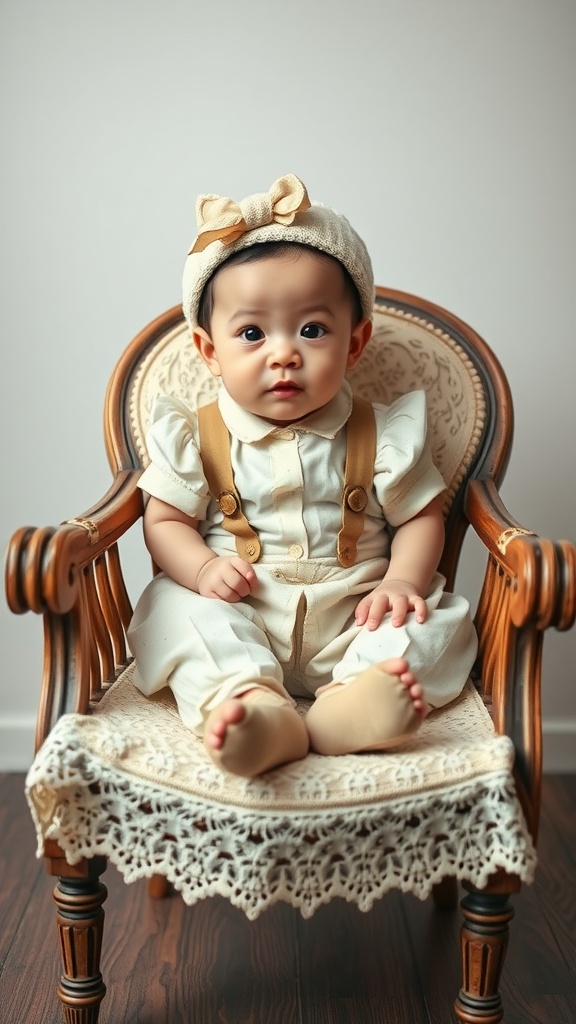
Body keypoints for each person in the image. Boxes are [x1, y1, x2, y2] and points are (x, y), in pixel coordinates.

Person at [128, 173, 477, 778]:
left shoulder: (383, 434)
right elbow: (163, 520)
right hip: (242, 610)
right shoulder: (198, 436)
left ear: (355, 342)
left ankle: (352, 707)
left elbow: (421, 516)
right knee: (178, 613)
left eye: (312, 330)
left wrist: (402, 581)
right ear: (210, 351)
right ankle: (255, 710)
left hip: (355, 613)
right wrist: (202, 568)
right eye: (252, 333)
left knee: (432, 624)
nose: (283, 353)